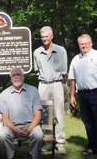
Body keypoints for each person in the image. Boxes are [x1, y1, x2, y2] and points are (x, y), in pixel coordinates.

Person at [68, 34, 97, 159]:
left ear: (91, 43)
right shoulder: (76, 59)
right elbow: (72, 79)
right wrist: (72, 96)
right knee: (88, 123)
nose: (84, 45)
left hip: (96, 93)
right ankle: (92, 146)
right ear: (78, 45)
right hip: (82, 94)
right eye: (81, 44)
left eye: (86, 43)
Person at [33, 26, 68, 154]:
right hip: (42, 85)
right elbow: (37, 69)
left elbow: (64, 72)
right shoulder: (37, 52)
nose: (44, 39)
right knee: (45, 115)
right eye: (42, 37)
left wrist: (57, 83)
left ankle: (60, 142)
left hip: (57, 84)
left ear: (52, 36)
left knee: (58, 113)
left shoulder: (61, 51)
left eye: (46, 36)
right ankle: (48, 141)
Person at [0, 67, 44, 159]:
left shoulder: (33, 91)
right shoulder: (4, 94)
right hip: (12, 127)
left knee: (39, 135)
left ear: (23, 77)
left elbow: (38, 115)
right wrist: (16, 130)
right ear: (11, 78)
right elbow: (5, 119)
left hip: (31, 125)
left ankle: (32, 156)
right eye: (14, 75)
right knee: (2, 135)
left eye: (18, 74)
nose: (16, 77)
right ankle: (12, 156)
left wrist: (29, 129)